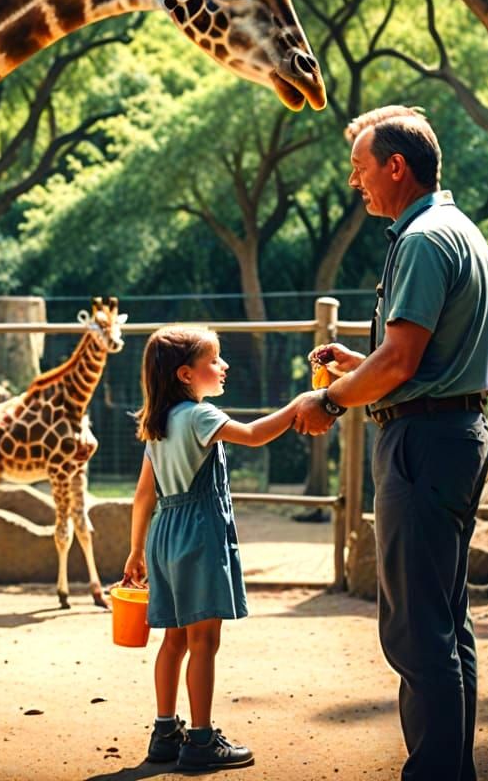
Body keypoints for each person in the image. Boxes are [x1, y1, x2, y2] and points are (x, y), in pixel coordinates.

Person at [292, 105, 488, 781]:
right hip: (456, 433)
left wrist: (329, 398)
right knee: (445, 620)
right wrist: (363, 362)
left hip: (421, 442)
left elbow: (403, 365)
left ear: (395, 167)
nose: (357, 184)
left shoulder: (419, 240)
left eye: (360, 170)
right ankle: (452, 769)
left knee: (415, 628)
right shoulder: (461, 231)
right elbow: (419, 357)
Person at [123, 325, 299, 772]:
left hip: (164, 534)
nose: (223, 366)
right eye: (214, 361)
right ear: (186, 373)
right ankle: (200, 741)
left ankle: (165, 733)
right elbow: (256, 434)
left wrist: (135, 551)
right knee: (204, 641)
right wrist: (300, 405)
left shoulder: (158, 423)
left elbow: (144, 493)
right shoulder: (200, 416)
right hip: (199, 533)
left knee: (174, 639)